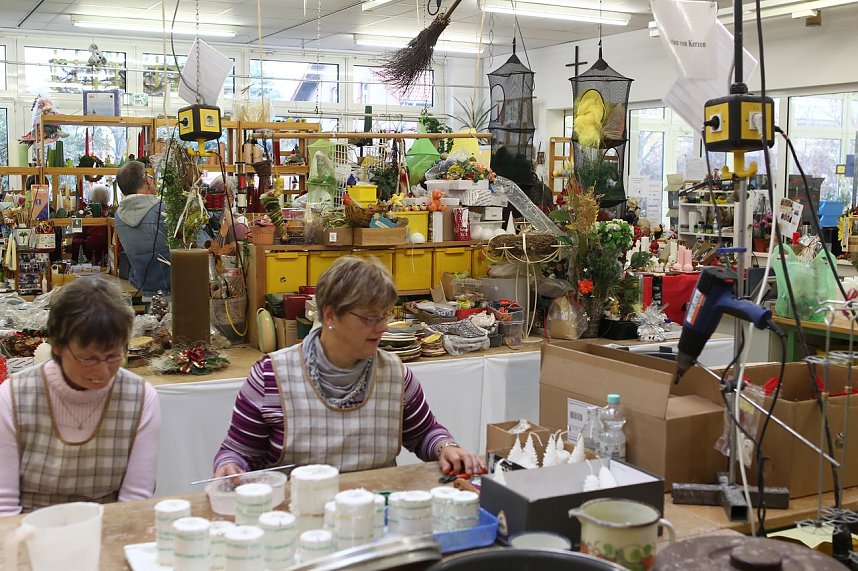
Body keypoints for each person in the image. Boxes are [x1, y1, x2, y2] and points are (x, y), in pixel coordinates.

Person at [214, 256, 484, 478]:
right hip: (296, 519)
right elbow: (237, 452)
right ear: (330, 314)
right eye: (369, 318)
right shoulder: (271, 378)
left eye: (384, 315)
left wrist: (446, 447)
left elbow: (424, 432)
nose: (381, 327)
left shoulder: (395, 376)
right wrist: (230, 466)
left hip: (375, 515)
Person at [0, 275, 161, 515]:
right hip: (30, 536)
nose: (103, 371)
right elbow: (4, 506)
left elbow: (134, 501)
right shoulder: (14, 397)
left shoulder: (139, 397)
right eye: (88, 358)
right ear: (57, 345)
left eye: (113, 356)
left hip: (108, 532)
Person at [114, 160, 171, 295]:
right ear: (147, 181)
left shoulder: (118, 215)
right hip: (172, 286)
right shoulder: (162, 210)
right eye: (150, 177)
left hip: (142, 286)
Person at [70, 184, 109, 265]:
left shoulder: (97, 217)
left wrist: (75, 242)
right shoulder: (106, 213)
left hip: (92, 263)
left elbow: (92, 243)